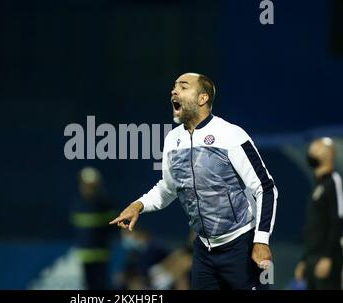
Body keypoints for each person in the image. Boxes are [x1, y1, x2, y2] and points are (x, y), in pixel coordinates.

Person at [110, 72, 278, 290]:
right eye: (174, 86)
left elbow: (265, 187)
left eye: (183, 86)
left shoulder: (231, 135)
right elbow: (168, 188)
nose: (174, 90)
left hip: (241, 247)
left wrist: (261, 240)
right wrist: (138, 205)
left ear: (202, 98)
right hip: (203, 252)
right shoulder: (173, 140)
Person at [294, 137, 343, 290]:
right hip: (312, 258)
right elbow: (313, 227)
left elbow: (338, 219)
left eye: (316, 148)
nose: (311, 152)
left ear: (328, 154)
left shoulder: (333, 181)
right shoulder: (317, 184)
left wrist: (328, 257)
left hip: (326, 258)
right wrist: (304, 259)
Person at [70, 167, 115, 290]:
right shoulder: (77, 203)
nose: (89, 188)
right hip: (84, 255)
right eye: (87, 185)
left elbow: (114, 227)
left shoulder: (105, 204)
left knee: (101, 286)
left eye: (92, 185)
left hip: (102, 254)